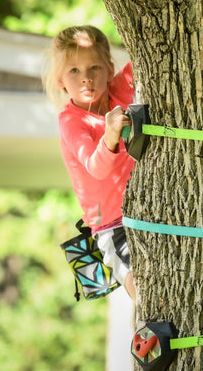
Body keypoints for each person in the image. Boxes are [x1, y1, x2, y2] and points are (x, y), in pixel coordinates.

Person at [44, 25, 136, 300]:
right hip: (113, 225)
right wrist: (109, 135)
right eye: (74, 71)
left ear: (109, 68)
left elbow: (146, 59)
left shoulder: (121, 90)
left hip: (149, 212)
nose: (86, 78)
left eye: (94, 67)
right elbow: (95, 166)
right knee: (142, 286)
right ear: (61, 80)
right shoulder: (71, 120)